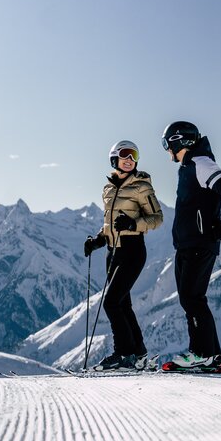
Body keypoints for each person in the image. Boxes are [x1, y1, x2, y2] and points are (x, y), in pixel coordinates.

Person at [161, 120, 221, 368]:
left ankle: (201, 353)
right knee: (192, 298)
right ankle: (211, 355)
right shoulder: (189, 165)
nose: (166, 150)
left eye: (166, 144)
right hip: (188, 243)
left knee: (192, 298)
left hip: (199, 242)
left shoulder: (201, 163)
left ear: (178, 141)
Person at [84, 140, 163, 370]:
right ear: (114, 159)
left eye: (134, 156)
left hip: (133, 250)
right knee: (123, 304)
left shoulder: (142, 186)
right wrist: (98, 240)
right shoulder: (108, 188)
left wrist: (132, 223)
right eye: (125, 155)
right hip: (113, 252)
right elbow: (109, 223)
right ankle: (139, 354)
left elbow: (157, 218)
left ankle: (123, 354)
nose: (130, 159)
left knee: (111, 303)